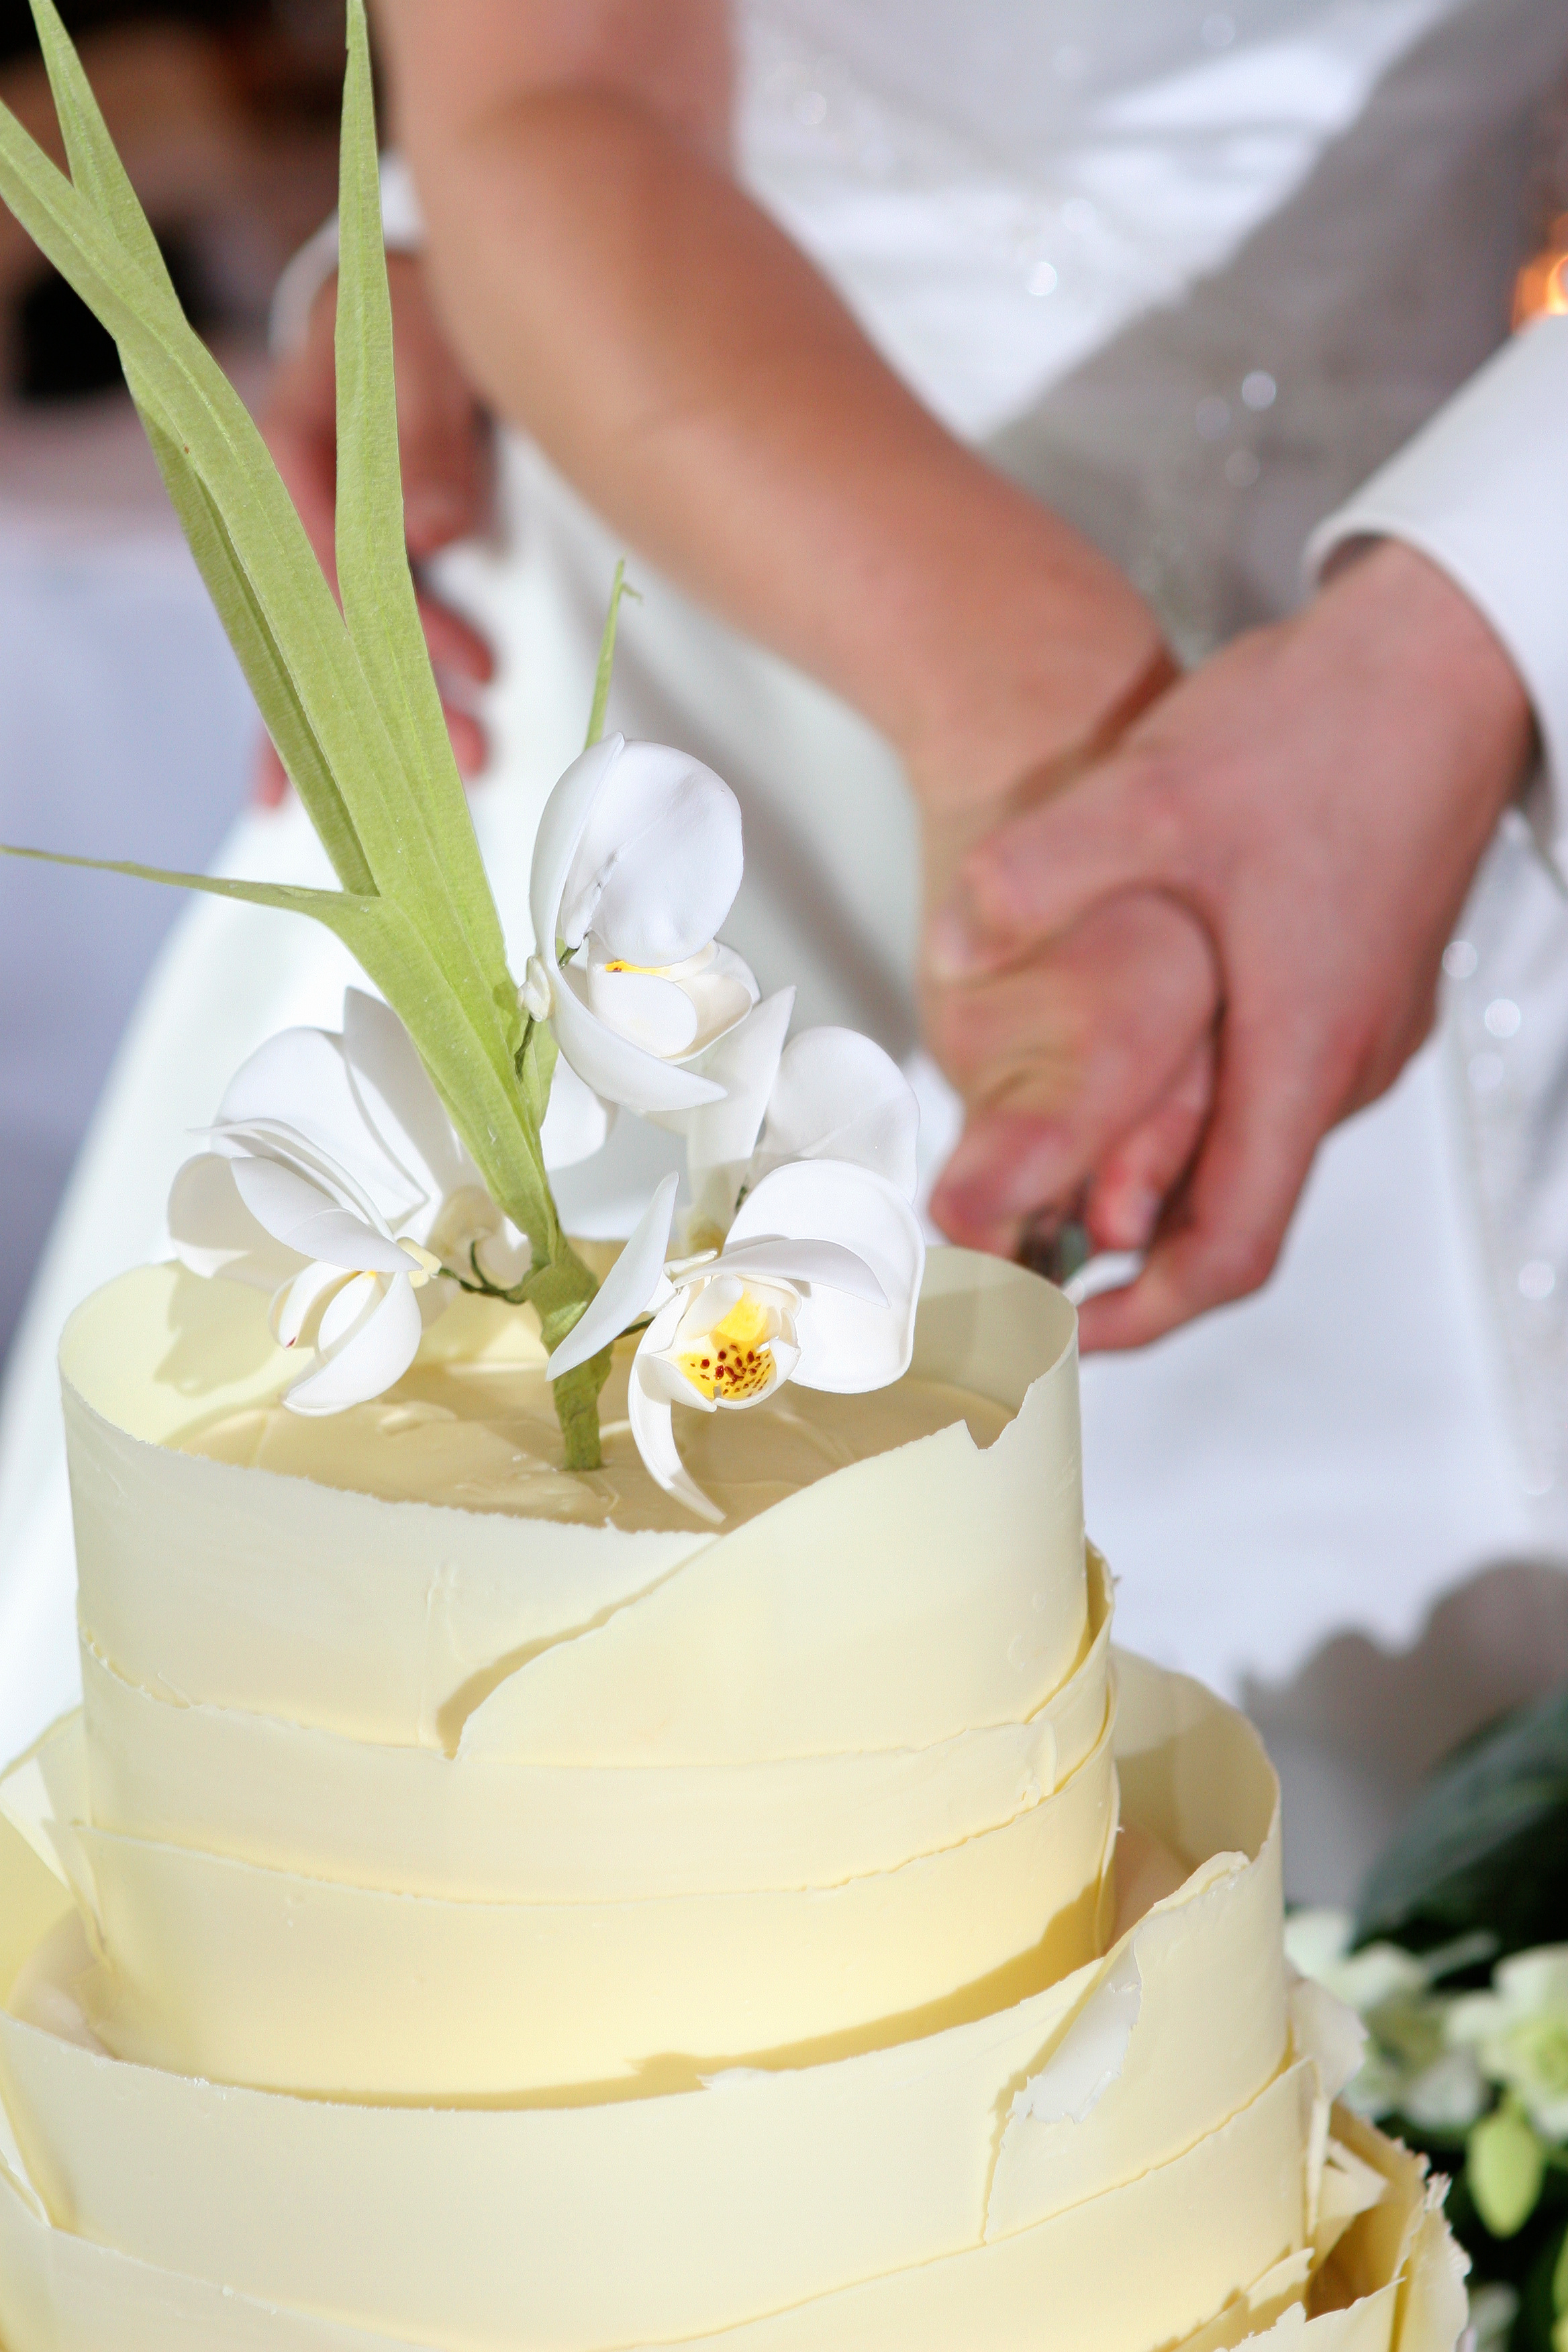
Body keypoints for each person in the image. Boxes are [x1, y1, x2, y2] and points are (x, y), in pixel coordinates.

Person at [2, 1, 1567, 1896]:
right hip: (717, 591)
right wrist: (1048, 753)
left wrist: (1472, 624)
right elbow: (559, 82)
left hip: (1459, 672)